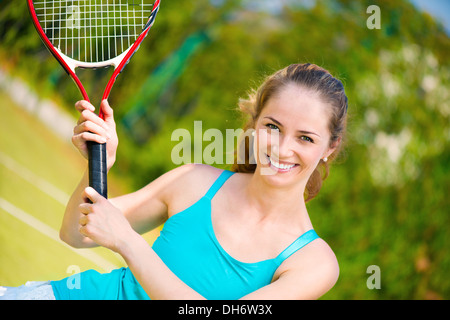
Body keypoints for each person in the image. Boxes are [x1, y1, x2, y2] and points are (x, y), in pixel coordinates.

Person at [0, 63, 348, 300]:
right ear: (254, 122)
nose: (283, 148)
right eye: (272, 127)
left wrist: (128, 243)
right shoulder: (194, 181)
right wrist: (100, 166)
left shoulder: (313, 262)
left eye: (305, 138)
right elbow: (75, 234)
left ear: (329, 148)